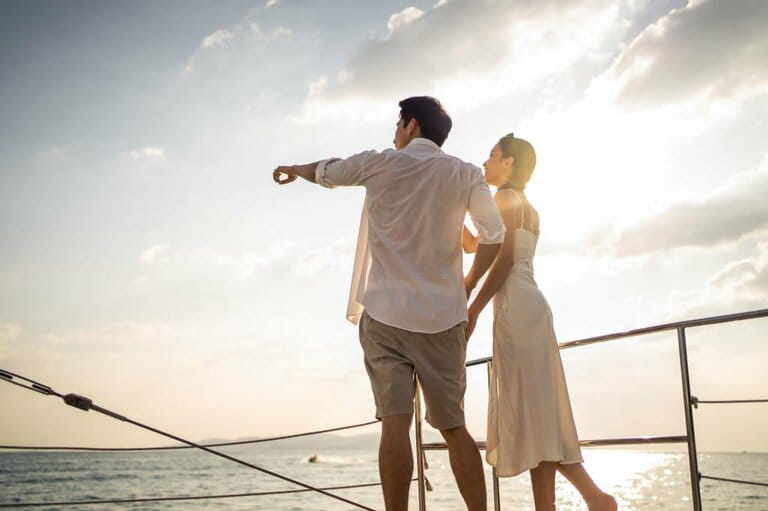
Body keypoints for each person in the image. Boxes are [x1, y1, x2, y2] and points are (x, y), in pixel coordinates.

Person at [273, 96, 505, 511]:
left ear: (411, 125)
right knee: (454, 428)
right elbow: (493, 234)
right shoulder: (466, 173)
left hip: (384, 317)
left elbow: (327, 171)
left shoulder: (379, 163)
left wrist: (294, 169)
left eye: (397, 124)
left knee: (395, 426)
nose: (394, 132)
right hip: (443, 319)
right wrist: (467, 285)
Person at [463, 134, 618, 511]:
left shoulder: (505, 198)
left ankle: (595, 499)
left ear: (510, 163)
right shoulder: (527, 206)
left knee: (534, 416)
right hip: (530, 308)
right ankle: (593, 499)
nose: (486, 162)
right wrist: (453, 212)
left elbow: (504, 260)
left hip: (516, 308)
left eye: (492, 155)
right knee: (538, 417)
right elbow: (475, 246)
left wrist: (474, 308)